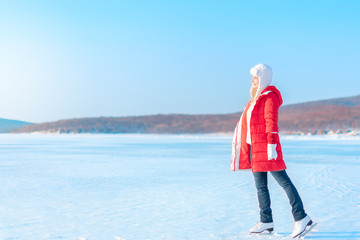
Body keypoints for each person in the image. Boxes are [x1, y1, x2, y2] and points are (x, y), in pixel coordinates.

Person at [230, 63, 313, 238]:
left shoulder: (269, 97)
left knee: (284, 182)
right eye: (252, 77)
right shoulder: (255, 99)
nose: (252, 80)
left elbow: (271, 123)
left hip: (267, 148)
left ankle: (301, 218)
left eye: (256, 77)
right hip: (255, 149)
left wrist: (271, 145)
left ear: (263, 78)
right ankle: (266, 221)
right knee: (261, 187)